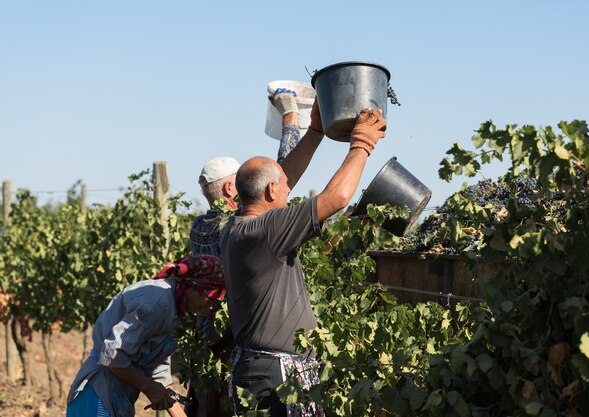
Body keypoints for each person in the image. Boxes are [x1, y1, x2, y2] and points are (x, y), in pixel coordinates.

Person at [221, 108, 386, 416]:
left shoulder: (238, 227)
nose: (288, 188)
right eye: (284, 185)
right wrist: (362, 143)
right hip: (275, 377)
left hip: (260, 370)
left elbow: (282, 177)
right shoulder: (268, 231)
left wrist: (315, 132)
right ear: (271, 191)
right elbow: (336, 197)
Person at [185, 89, 325, 417]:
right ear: (232, 189)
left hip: (220, 344)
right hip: (253, 352)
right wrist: (292, 122)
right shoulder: (244, 230)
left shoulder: (205, 227)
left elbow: (272, 183)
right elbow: (272, 186)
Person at [66, 254, 226, 417]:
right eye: (212, 299)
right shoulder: (158, 303)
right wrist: (149, 388)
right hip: (99, 395)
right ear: (196, 289)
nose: (212, 307)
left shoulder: (170, 306)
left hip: (113, 394)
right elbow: (113, 355)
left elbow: (158, 375)